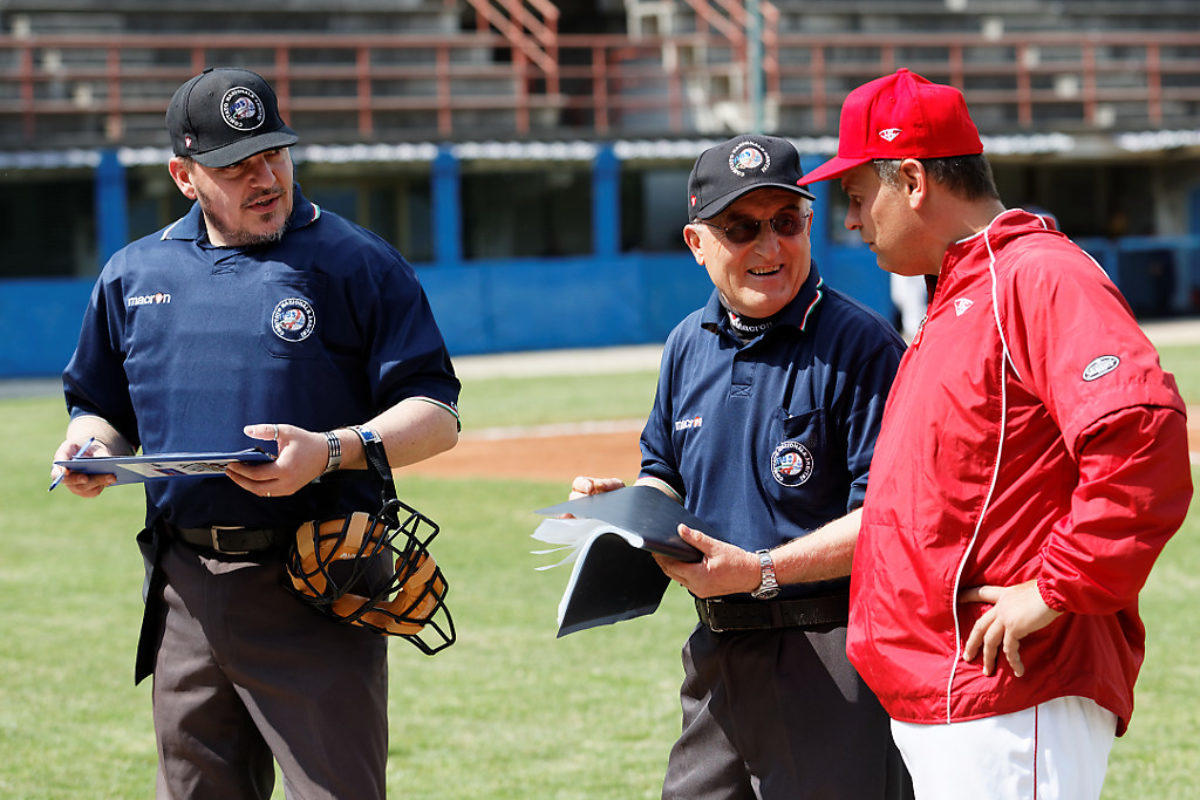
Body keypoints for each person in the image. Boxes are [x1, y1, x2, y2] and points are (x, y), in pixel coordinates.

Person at [50, 67, 461, 800]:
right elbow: (101, 409)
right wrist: (93, 451)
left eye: (273, 154)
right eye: (236, 167)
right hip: (188, 595)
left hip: (319, 584)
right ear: (185, 176)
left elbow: (436, 416)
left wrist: (331, 451)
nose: (265, 177)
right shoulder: (132, 275)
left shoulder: (356, 263)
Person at [798, 68, 1194, 799]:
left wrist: (1056, 585)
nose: (851, 221)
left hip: (1011, 692)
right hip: (956, 692)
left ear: (912, 180)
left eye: (856, 197)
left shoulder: (1036, 276)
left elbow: (1143, 439)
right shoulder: (961, 292)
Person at [571, 134, 912, 799]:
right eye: (741, 228)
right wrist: (628, 510)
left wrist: (759, 572)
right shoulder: (685, 347)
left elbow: (888, 522)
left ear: (808, 224)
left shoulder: (862, 345)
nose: (769, 246)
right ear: (697, 243)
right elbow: (663, 470)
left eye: (786, 223)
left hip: (830, 657)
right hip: (719, 653)